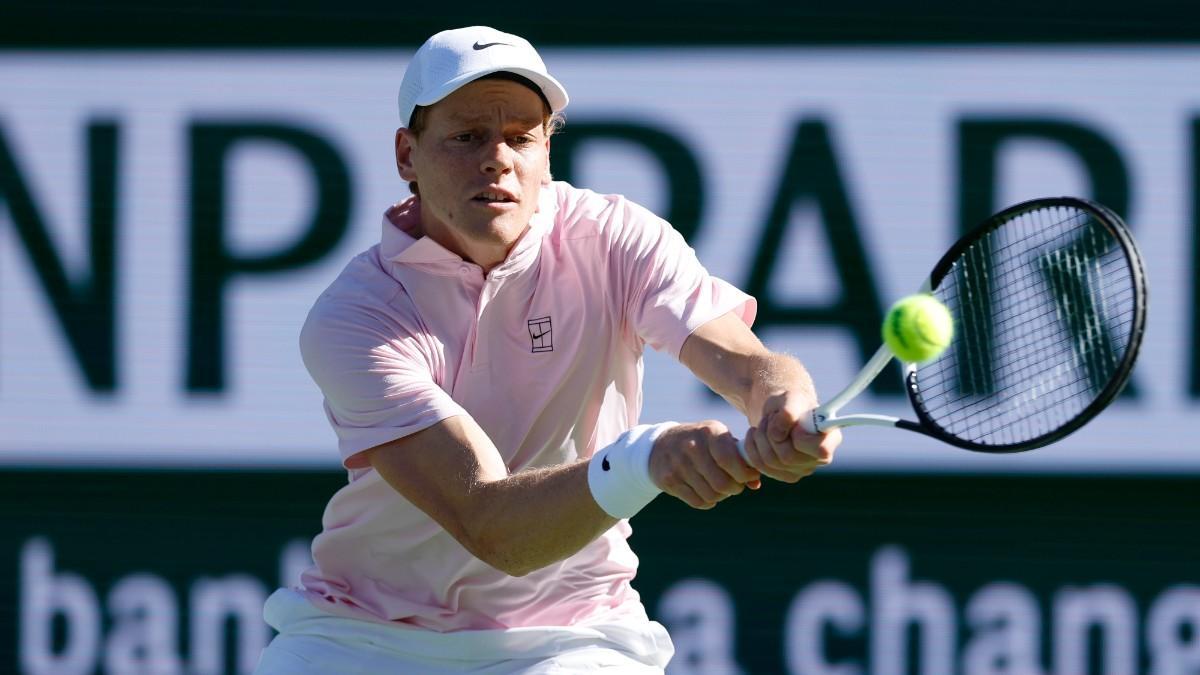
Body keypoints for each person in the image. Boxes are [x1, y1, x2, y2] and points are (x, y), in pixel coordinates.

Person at [255, 25, 841, 674]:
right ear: (406, 155)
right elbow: (491, 523)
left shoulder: (616, 237)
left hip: (574, 637)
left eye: (521, 136)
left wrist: (782, 400)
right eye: (467, 135)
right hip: (362, 637)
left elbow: (740, 359)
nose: (498, 158)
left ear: (546, 153)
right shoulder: (357, 316)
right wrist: (647, 457)